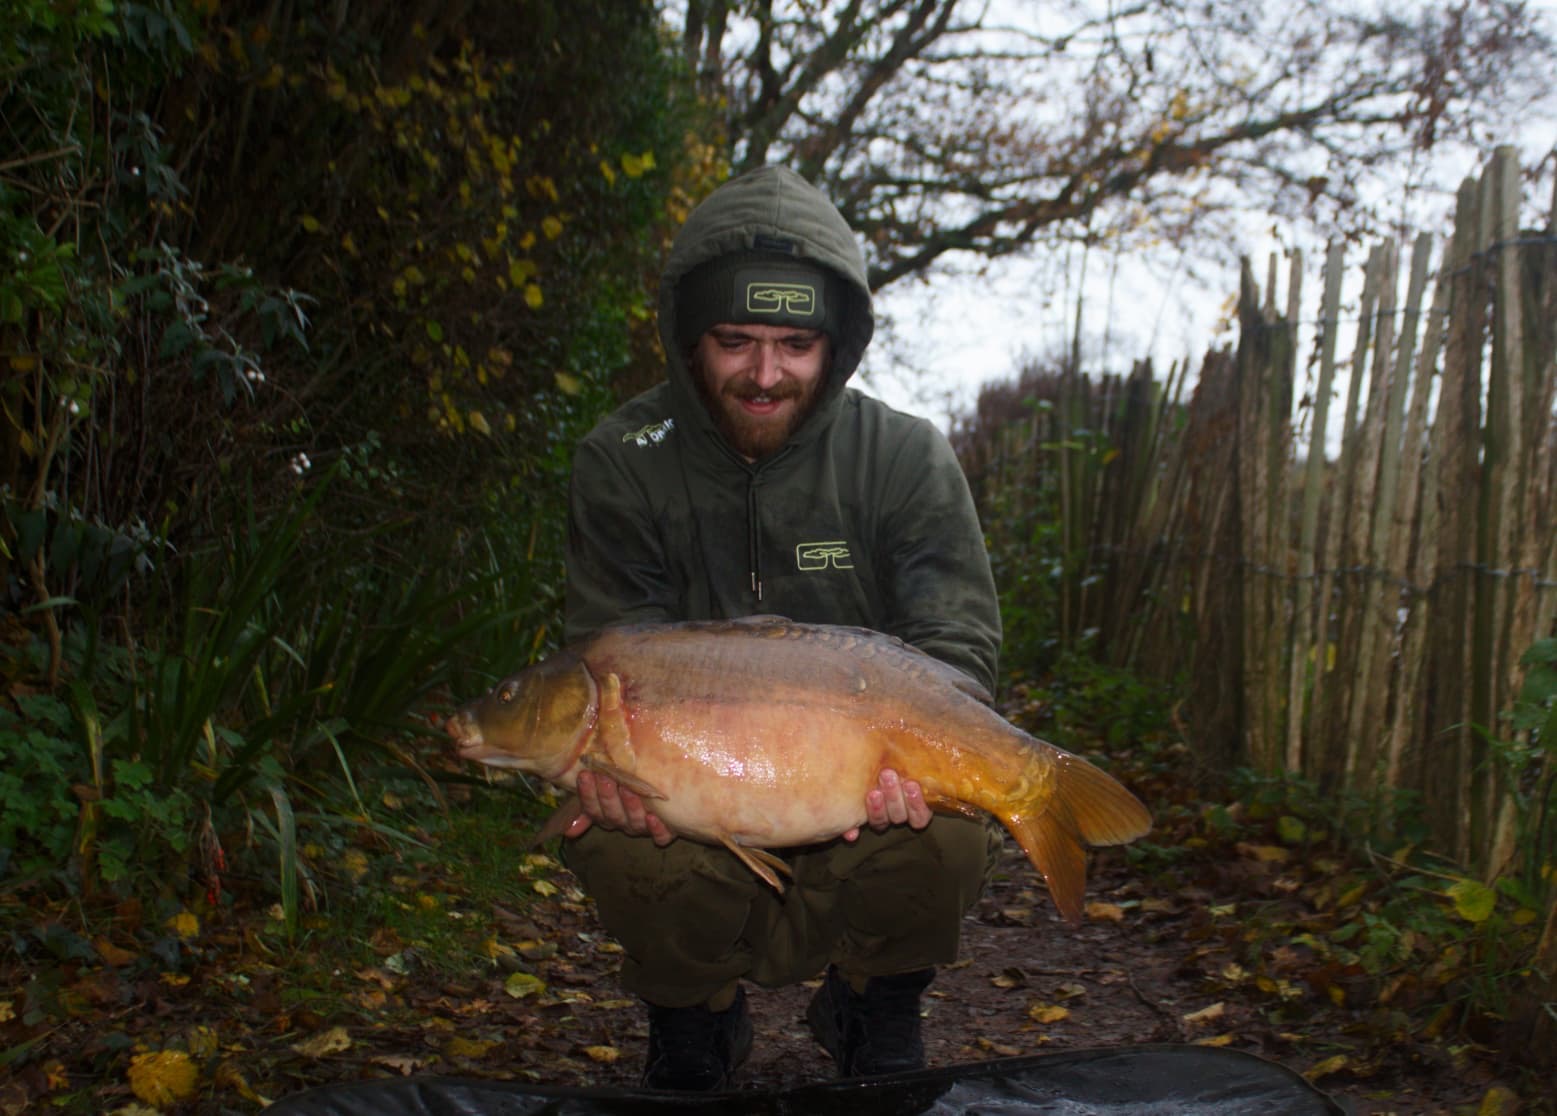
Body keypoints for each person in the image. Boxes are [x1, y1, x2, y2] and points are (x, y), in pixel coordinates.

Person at [559, 164, 1002, 1091]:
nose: (765, 375)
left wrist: (912, 758)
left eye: (796, 344)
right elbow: (611, 653)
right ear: (689, 338)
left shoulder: (904, 458)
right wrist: (612, 768)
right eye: (735, 342)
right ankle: (693, 1016)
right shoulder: (622, 460)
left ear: (835, 345)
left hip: (857, 792)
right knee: (608, 827)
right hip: (697, 791)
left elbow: (956, 649)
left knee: (953, 833)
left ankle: (873, 1004)